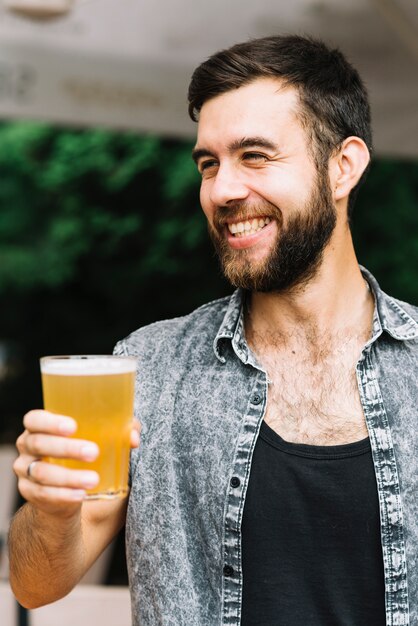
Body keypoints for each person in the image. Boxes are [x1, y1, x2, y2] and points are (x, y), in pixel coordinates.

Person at [8, 35, 418, 626]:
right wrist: (49, 512)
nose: (222, 190)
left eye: (255, 156)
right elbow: (35, 585)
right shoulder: (150, 366)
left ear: (343, 167)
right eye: (209, 163)